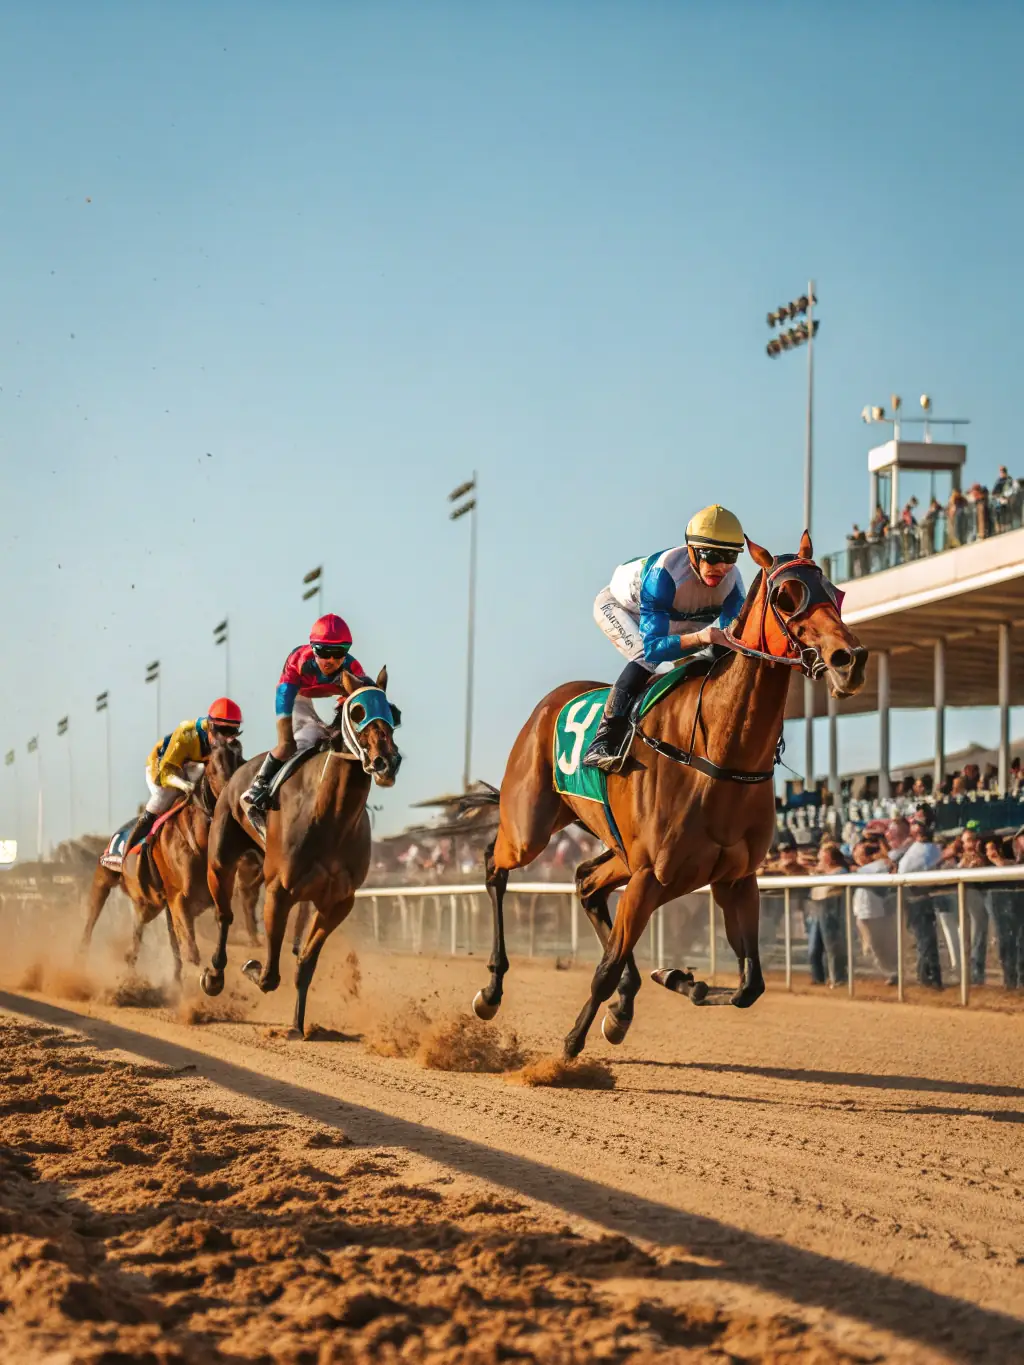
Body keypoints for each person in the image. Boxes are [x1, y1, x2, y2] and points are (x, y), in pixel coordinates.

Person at [584, 504, 746, 771]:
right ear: (692, 551)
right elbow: (655, 648)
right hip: (623, 609)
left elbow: (731, 642)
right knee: (645, 658)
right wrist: (704, 637)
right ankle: (605, 738)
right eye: (712, 555)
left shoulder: (733, 584)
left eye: (730, 556)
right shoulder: (666, 573)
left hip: (675, 619)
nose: (721, 567)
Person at [243, 614, 371, 815]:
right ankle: (260, 784)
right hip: (299, 698)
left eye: (338, 653)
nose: (331, 660)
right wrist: (284, 735)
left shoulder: (352, 666)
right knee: (293, 745)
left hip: (332, 700)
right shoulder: (299, 660)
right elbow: (284, 693)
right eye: (324, 652)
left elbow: (364, 696)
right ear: (313, 649)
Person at [121, 698, 243, 855]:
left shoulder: (229, 743)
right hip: (162, 768)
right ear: (210, 725)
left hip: (193, 766)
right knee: (163, 797)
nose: (225, 739)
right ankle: (129, 851)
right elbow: (165, 774)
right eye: (220, 730)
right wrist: (185, 786)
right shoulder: (186, 735)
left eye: (232, 732)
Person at [899, 819, 944, 988]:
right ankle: (929, 977)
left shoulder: (932, 848)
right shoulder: (912, 849)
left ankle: (929, 976)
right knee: (925, 941)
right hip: (915, 900)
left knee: (927, 941)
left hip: (929, 899)